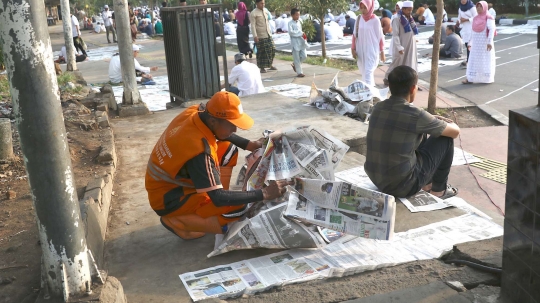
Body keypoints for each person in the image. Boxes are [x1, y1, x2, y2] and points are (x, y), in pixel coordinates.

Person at [145, 91, 289, 240]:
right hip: (170, 200)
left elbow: (222, 130)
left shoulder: (199, 111)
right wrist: (265, 193)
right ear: (213, 121)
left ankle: (212, 196)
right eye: (232, 125)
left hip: (170, 183)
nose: (235, 130)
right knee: (240, 207)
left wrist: (250, 145)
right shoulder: (200, 152)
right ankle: (178, 222)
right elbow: (219, 198)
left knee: (228, 149)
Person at [365, 65, 460, 199]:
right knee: (445, 139)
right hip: (403, 186)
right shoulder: (416, 115)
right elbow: (454, 132)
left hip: (377, 179)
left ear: (390, 87)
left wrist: (430, 120)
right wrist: (450, 123)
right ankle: (439, 191)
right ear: (413, 88)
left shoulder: (378, 108)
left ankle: (427, 185)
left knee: (421, 133)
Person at [383, 1, 417, 86]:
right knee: (396, 63)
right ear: (404, 9)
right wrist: (399, 47)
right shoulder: (397, 19)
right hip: (401, 45)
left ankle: (409, 81)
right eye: (408, 10)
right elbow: (395, 35)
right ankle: (387, 78)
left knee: (409, 62)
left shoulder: (410, 18)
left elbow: (412, 31)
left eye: (411, 10)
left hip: (410, 45)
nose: (410, 12)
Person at [352, 0, 385, 86]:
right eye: (361, 8)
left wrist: (382, 52)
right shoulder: (359, 18)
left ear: (370, 7)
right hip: (361, 49)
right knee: (364, 72)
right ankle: (370, 91)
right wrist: (353, 48)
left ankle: (369, 94)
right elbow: (354, 35)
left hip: (372, 49)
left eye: (365, 8)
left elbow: (380, 36)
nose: (363, 10)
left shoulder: (375, 20)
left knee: (368, 72)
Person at [462, 1, 495, 84]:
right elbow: (473, 31)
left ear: (485, 7)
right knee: (473, 61)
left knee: (485, 60)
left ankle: (486, 78)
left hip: (485, 44)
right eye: (477, 6)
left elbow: (491, 29)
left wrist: (489, 42)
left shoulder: (489, 17)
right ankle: (470, 78)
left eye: (481, 6)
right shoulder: (475, 18)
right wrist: (470, 42)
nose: (479, 8)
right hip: (476, 44)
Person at [250, 0, 277, 73]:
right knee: (262, 52)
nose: (263, 4)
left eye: (264, 3)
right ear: (257, 3)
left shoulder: (265, 10)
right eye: (261, 3)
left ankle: (270, 64)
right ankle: (262, 67)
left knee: (272, 49)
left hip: (268, 34)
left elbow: (268, 20)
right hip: (260, 35)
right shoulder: (253, 13)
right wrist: (255, 36)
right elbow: (252, 26)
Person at [457, 0, 478, 67]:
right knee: (466, 44)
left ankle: (470, 60)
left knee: (470, 44)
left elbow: (476, 17)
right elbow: (459, 17)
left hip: (471, 27)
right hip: (465, 28)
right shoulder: (460, 8)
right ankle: (470, 59)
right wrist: (459, 21)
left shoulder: (472, 7)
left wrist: (466, 19)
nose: (463, 1)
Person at [288, 8, 307, 78]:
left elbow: (302, 30)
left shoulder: (300, 21)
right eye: (296, 15)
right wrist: (300, 33)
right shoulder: (290, 23)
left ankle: (295, 65)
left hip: (301, 41)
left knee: (304, 56)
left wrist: (303, 35)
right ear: (292, 15)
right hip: (294, 42)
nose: (298, 16)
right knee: (296, 58)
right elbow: (291, 33)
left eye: (299, 15)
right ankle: (299, 72)